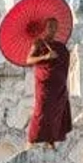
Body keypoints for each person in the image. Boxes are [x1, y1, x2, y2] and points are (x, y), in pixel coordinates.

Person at [25, 16, 72, 149]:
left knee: (56, 113)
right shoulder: (38, 44)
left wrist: (60, 54)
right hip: (44, 84)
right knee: (42, 111)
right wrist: (46, 56)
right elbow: (28, 60)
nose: (53, 29)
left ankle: (51, 140)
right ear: (45, 28)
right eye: (50, 26)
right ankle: (32, 139)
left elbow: (65, 62)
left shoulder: (59, 47)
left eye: (55, 27)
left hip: (58, 86)